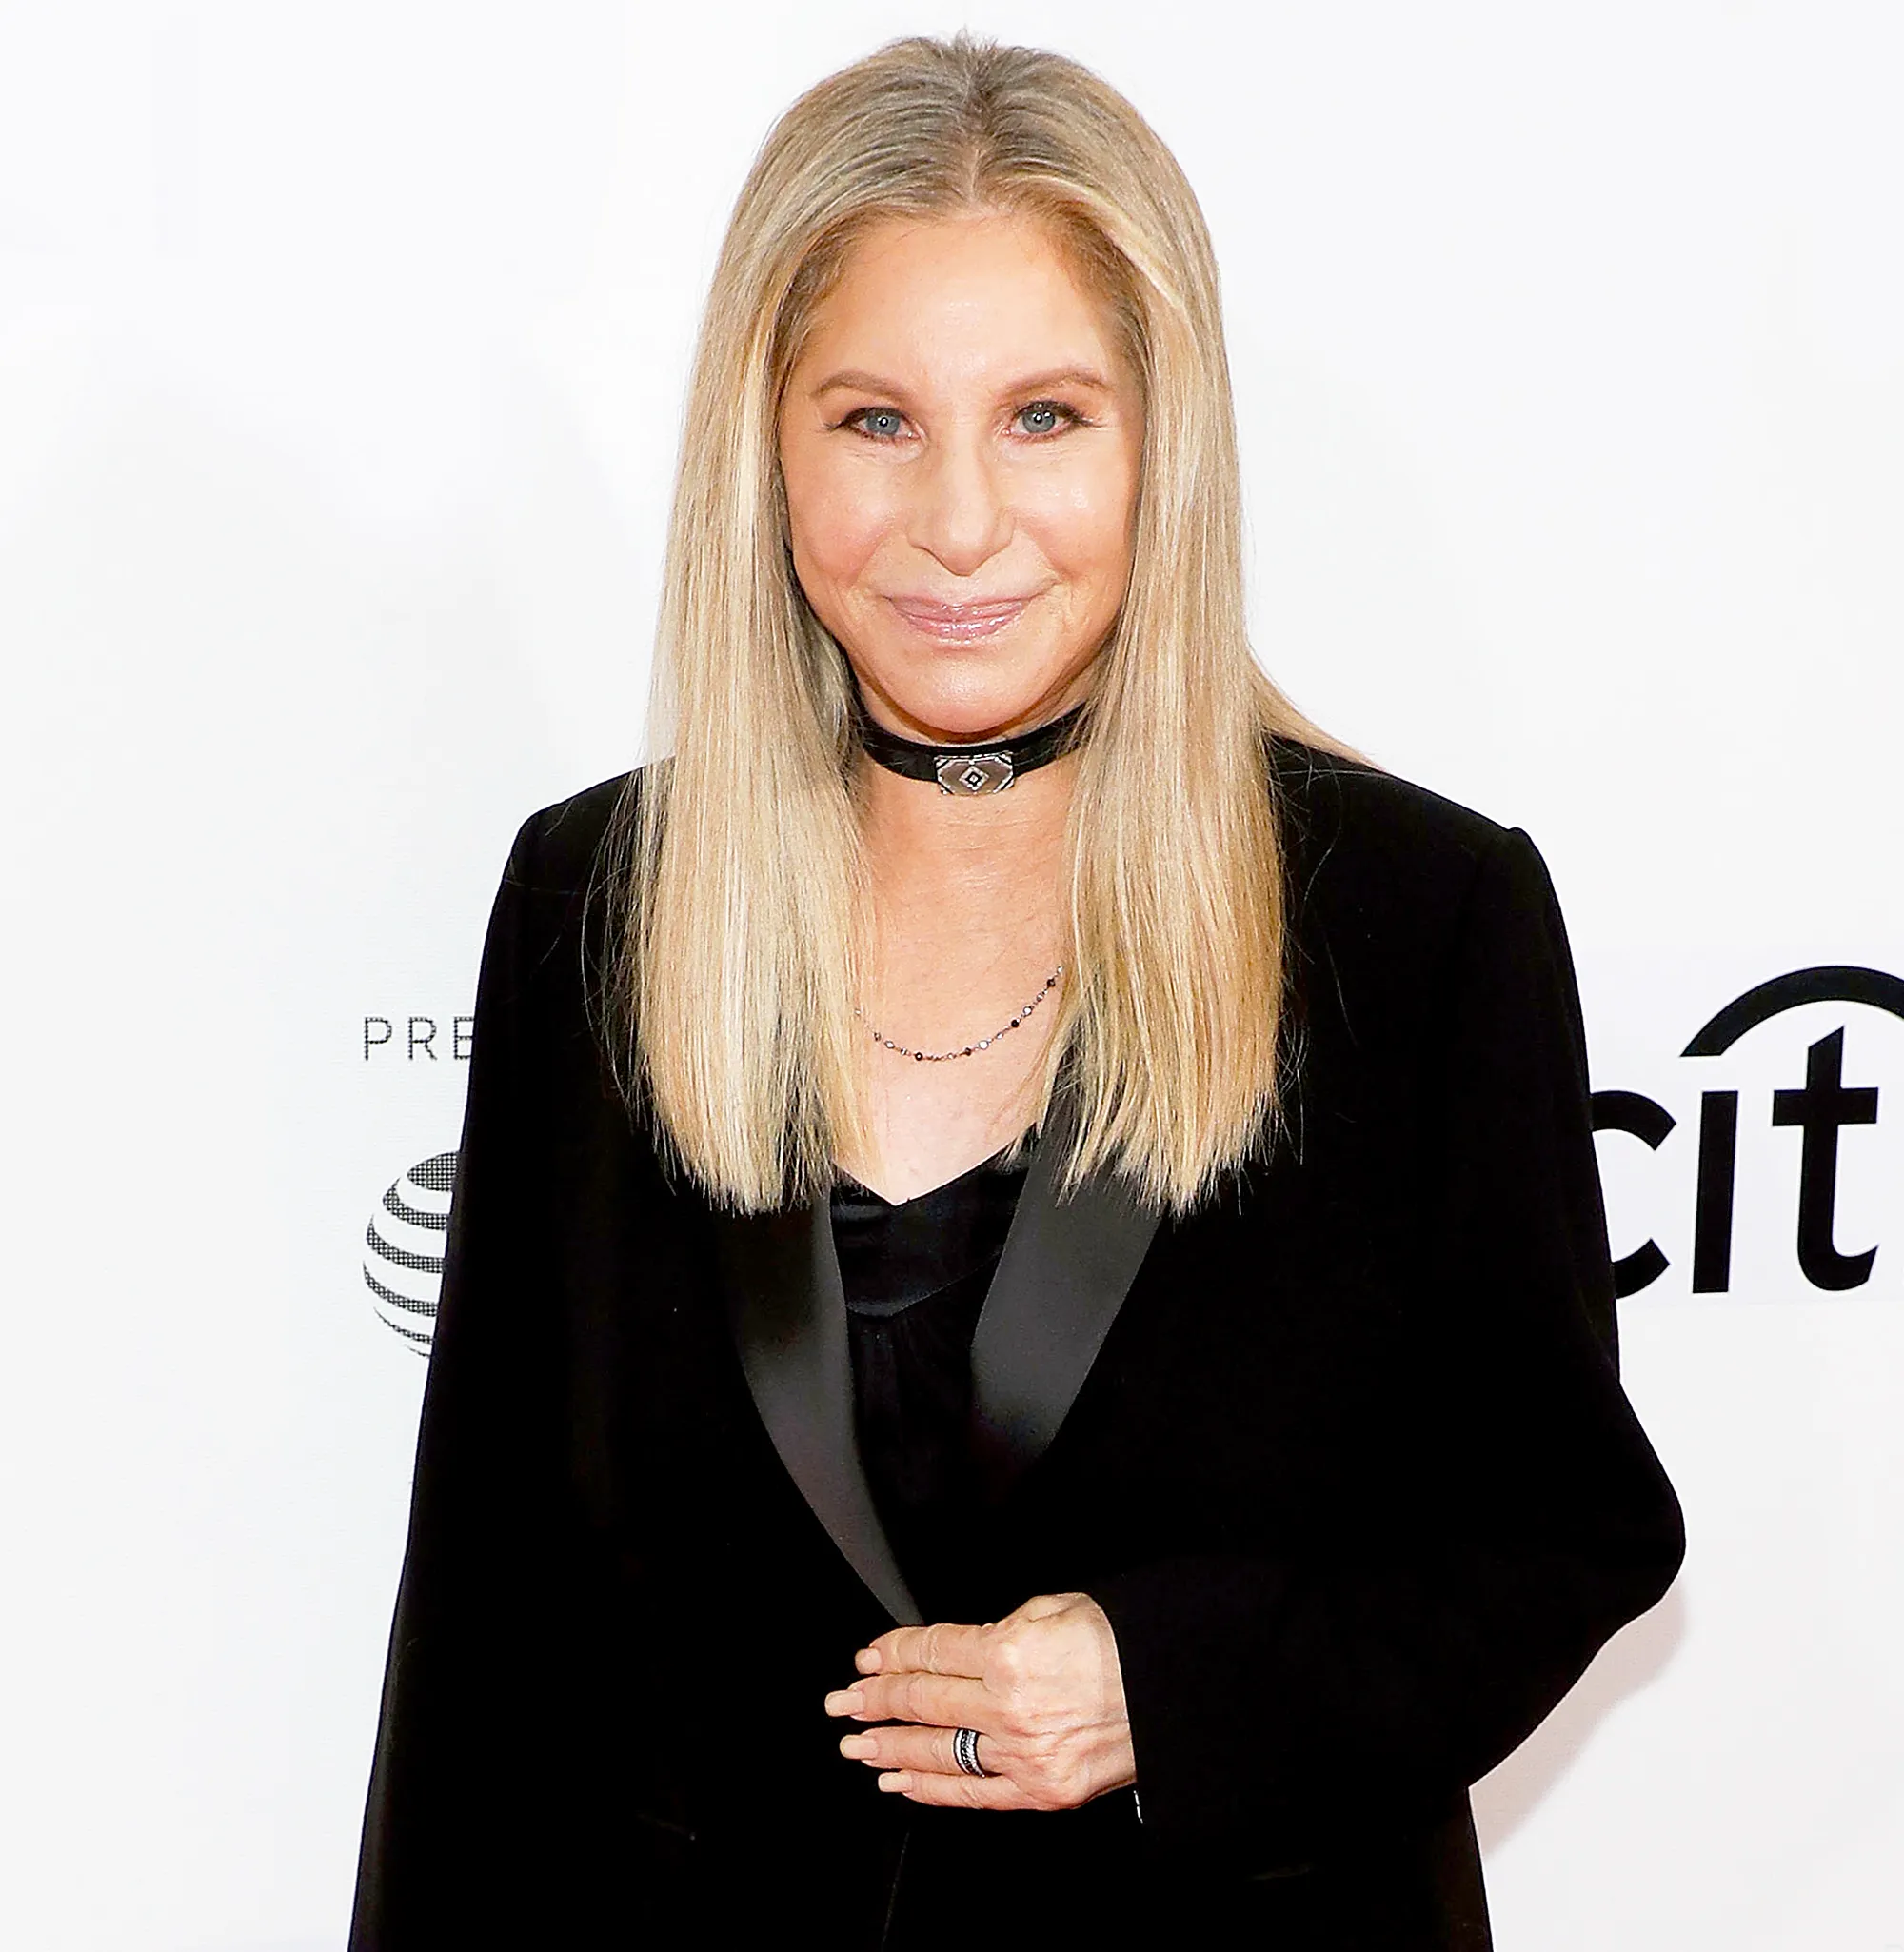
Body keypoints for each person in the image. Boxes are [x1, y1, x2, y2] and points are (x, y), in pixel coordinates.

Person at [348, 31, 1684, 1951]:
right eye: (873, 419)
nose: (958, 523)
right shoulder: (600, 900)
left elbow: (1565, 1525)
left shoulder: (1413, 918)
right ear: (767, 442)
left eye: (1044, 415)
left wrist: (1172, 1683)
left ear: (1163, 437)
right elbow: (481, 1633)